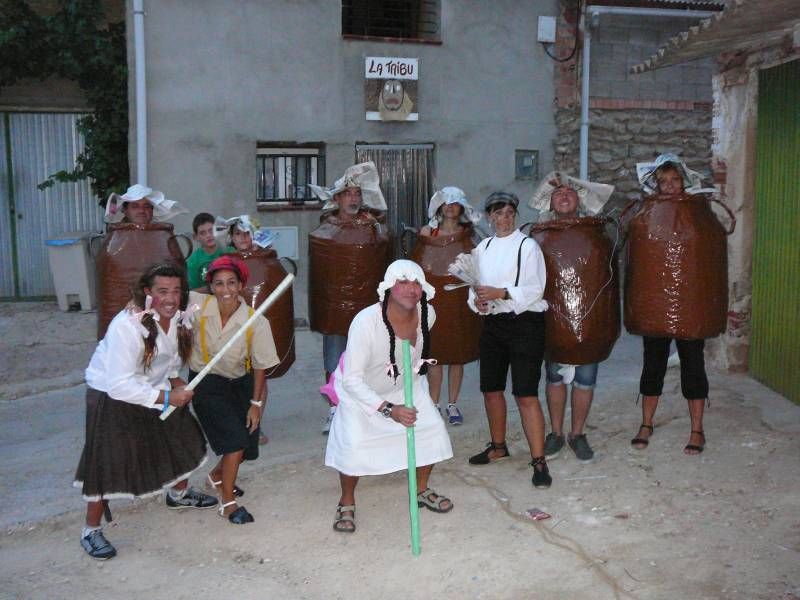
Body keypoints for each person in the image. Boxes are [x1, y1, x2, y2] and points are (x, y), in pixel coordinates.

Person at [74, 263, 217, 560]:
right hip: (110, 396)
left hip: (155, 388)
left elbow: (171, 362)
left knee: (182, 436)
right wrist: (168, 396)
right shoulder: (126, 326)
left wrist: (178, 384)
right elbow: (119, 385)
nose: (171, 298)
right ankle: (90, 530)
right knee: (106, 461)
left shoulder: (180, 319)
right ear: (147, 292)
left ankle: (178, 495)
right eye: (162, 291)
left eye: (176, 291)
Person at [325, 260, 454, 533]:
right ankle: (346, 500)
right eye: (403, 282)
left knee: (431, 430)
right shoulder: (365, 321)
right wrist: (387, 409)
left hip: (405, 385)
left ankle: (420, 490)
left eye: (416, 283)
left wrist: (405, 398)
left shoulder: (427, 314)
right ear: (388, 288)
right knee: (355, 445)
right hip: (360, 392)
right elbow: (352, 378)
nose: (411, 289)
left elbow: (414, 357)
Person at [467, 191, 552, 488]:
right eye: (498, 213)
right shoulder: (482, 249)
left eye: (509, 213)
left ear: (515, 216)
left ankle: (539, 460)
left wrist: (502, 293)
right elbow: (474, 289)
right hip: (493, 324)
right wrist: (477, 303)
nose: (504, 218)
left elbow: (535, 289)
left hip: (525, 323)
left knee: (526, 393)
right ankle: (498, 446)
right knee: (491, 389)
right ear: (490, 216)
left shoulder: (528, 246)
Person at [529, 174, 616, 463]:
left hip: (590, 321)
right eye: (558, 193)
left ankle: (577, 434)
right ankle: (555, 433)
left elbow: (610, 280)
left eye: (570, 192)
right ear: (550, 202)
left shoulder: (597, 234)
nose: (564, 196)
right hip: (554, 321)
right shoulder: (538, 235)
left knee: (585, 379)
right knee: (554, 377)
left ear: (579, 199)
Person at [630, 155, 712, 455]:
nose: (669, 185)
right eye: (663, 181)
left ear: (683, 182)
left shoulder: (697, 211)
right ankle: (646, 423)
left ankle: (697, 429)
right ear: (657, 184)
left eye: (674, 180)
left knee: (693, 366)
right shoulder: (648, 212)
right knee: (653, 365)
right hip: (656, 305)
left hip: (690, 306)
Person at [188, 255, 280, 523]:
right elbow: (163, 301)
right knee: (235, 441)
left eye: (231, 283)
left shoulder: (256, 322)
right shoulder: (196, 304)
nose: (225, 290)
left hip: (240, 383)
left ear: (241, 285)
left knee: (247, 444)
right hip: (206, 383)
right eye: (218, 284)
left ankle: (217, 476)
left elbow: (261, 366)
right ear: (210, 286)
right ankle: (228, 502)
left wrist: (256, 405)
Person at [309, 162, 388, 434]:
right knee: (334, 359)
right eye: (348, 193)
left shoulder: (374, 227)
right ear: (337, 199)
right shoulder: (327, 229)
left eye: (357, 193)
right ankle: (335, 408)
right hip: (334, 311)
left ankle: (368, 408)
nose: (354, 198)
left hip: (366, 308)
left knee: (368, 358)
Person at [417, 186, 482, 425]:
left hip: (460, 302)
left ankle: (452, 404)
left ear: (462, 207)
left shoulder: (469, 235)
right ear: (439, 207)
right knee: (437, 354)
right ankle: (433, 403)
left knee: (457, 355)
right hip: (435, 301)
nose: (450, 206)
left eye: (455, 203)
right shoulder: (428, 233)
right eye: (446, 202)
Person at [186, 212, 235, 290]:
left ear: (217, 229)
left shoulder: (230, 252)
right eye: (202, 233)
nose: (208, 235)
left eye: (211, 230)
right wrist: (212, 288)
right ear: (196, 237)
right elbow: (193, 291)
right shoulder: (193, 261)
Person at [104, 184, 187, 226]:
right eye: (135, 206)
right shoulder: (117, 236)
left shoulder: (161, 235)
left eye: (146, 206)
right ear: (125, 210)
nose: (141, 211)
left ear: (152, 210)